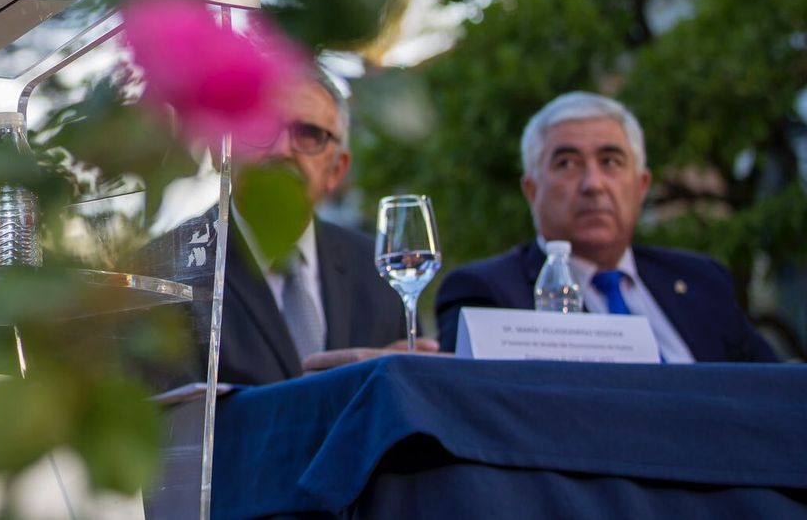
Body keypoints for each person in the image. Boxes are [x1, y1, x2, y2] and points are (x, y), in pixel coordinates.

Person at [435, 91, 777, 362]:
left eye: (611, 162)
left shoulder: (702, 280)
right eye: (567, 163)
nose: (593, 184)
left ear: (641, 185)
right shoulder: (487, 294)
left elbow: (779, 395)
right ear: (532, 190)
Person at [217, 71, 413, 385]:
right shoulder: (168, 268)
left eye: (309, 134)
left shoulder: (380, 268)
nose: (281, 150)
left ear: (337, 170)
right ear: (221, 151)